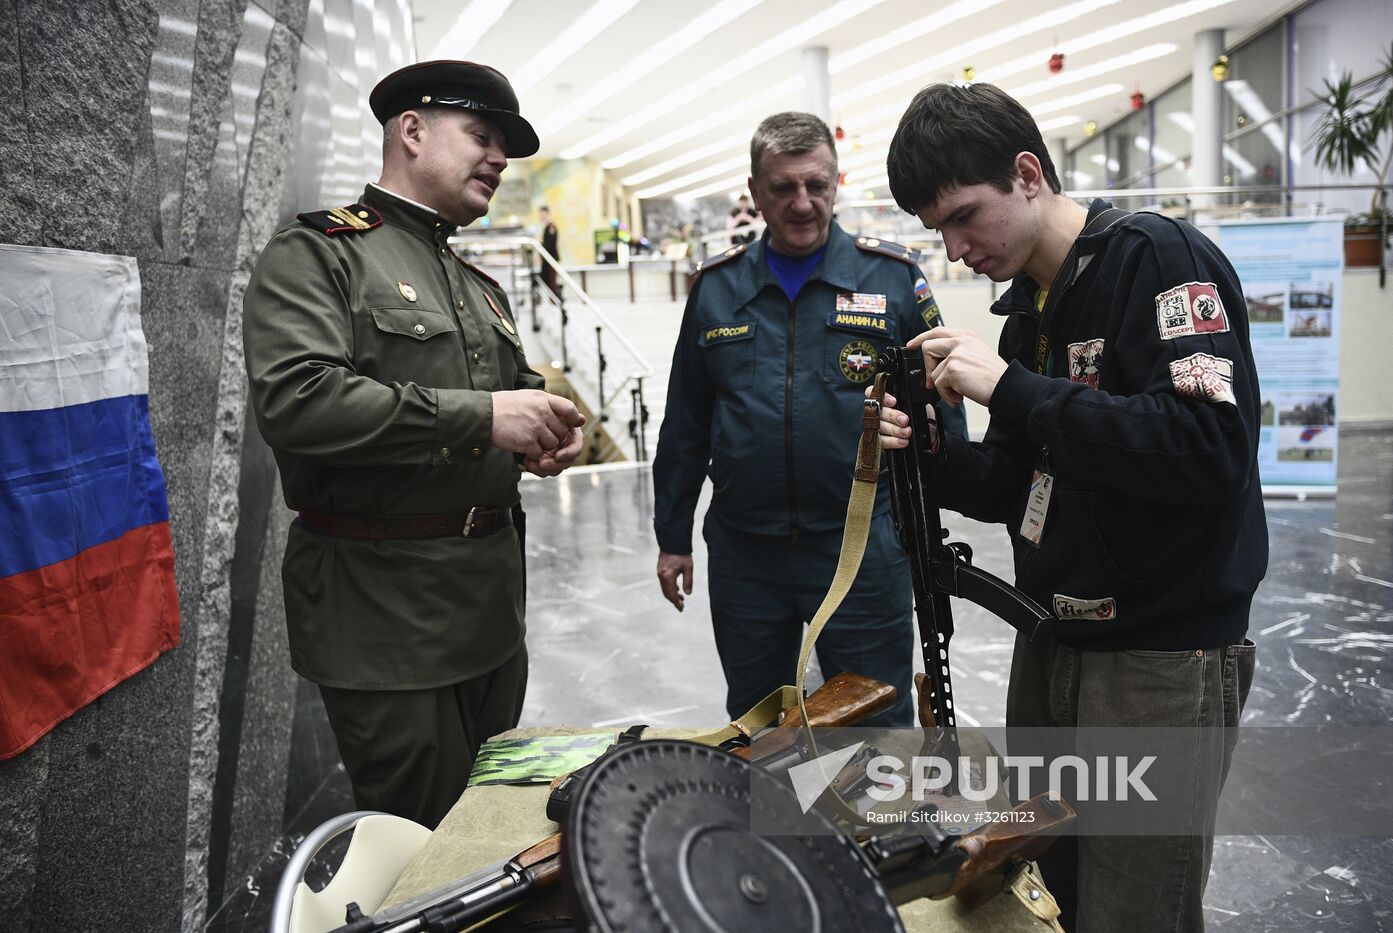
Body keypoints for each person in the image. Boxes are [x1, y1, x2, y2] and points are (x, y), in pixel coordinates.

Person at [877, 82, 1266, 932]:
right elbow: (1021, 487)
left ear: (1027, 173)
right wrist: (929, 454)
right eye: (936, 230)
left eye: (965, 216)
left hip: (1159, 658)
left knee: (1136, 906)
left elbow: (1210, 446)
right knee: (1050, 893)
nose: (954, 248)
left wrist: (1016, 389)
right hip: (1055, 640)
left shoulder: (1158, 261)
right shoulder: (1031, 316)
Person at [243, 60, 585, 828]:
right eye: (483, 135)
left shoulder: (476, 285)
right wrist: (483, 417)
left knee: (492, 830)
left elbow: (509, 399)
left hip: (489, 614)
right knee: (421, 849)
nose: (499, 158)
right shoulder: (322, 254)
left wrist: (543, 435)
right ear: (412, 129)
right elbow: (298, 400)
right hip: (387, 624)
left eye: (504, 145)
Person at [652, 111, 966, 728]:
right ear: (754, 191)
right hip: (747, 556)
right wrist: (671, 536)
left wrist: (927, 515)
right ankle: (774, 827)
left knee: (875, 716)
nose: (802, 203)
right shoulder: (715, 290)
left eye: (816, 186)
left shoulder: (893, 280)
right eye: (783, 188)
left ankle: (882, 829)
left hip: (861, 551)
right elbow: (685, 422)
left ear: (836, 181)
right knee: (757, 722)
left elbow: (943, 413)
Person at [538, 205, 562, 302]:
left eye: (542, 214)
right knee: (546, 280)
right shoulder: (547, 227)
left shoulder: (551, 226)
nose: (541, 217)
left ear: (547, 214)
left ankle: (555, 300)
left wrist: (541, 248)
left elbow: (550, 244)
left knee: (551, 283)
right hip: (546, 260)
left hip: (550, 259)